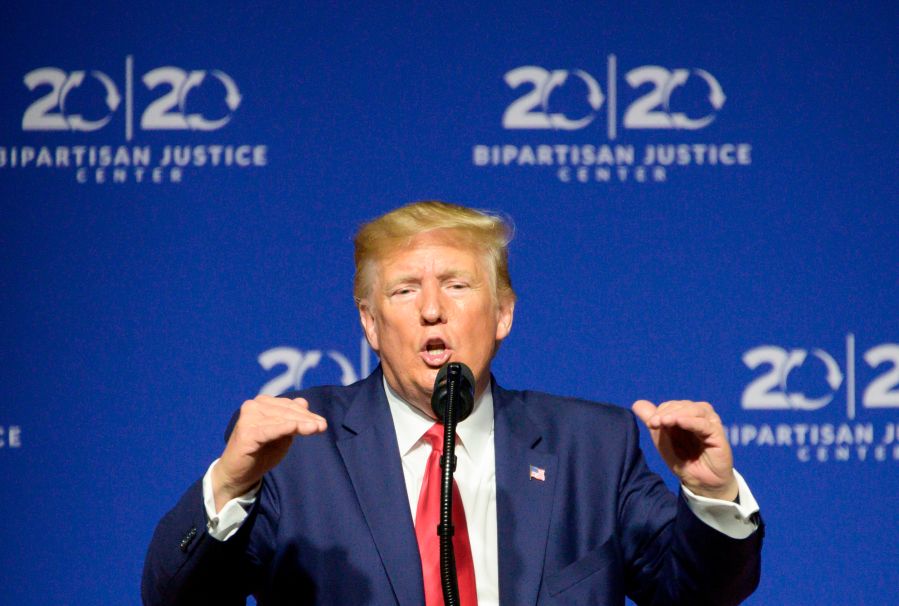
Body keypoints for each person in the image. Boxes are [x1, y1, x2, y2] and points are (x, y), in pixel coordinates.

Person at [142, 201, 762, 605]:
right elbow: (174, 600)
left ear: (503, 313)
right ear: (369, 323)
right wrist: (230, 484)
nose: (432, 309)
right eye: (405, 289)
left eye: (458, 285)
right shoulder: (299, 451)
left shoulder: (590, 448)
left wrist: (711, 497)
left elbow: (695, 594)